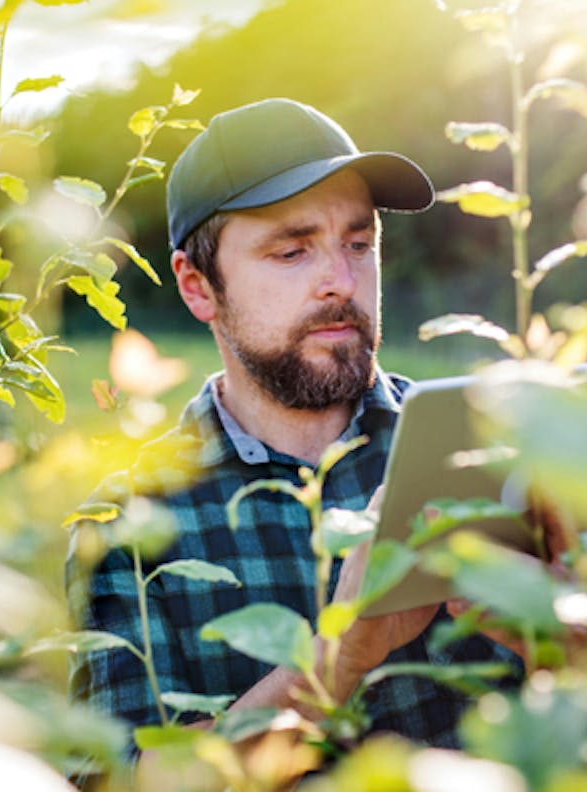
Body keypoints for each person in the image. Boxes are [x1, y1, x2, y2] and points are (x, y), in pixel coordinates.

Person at [66, 98, 519, 764]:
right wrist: (340, 659)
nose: (340, 282)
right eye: (291, 251)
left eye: (358, 244)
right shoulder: (128, 521)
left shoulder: (489, 442)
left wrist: (577, 634)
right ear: (198, 288)